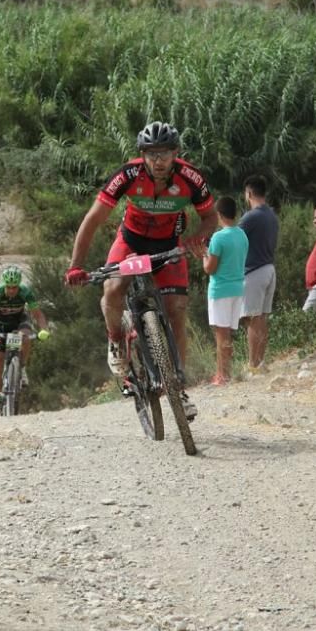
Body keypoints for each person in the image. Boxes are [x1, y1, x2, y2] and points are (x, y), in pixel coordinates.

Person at [64, 121, 217, 419]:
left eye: (164, 154)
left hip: (169, 244)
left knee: (177, 308)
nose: (158, 161)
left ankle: (180, 388)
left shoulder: (191, 178)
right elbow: (93, 219)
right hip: (131, 241)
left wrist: (199, 238)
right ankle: (116, 339)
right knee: (112, 289)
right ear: (142, 155)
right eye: (151, 154)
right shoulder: (127, 175)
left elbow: (210, 217)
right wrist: (75, 267)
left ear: (176, 153)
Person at [0, 266, 50, 415]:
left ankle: (21, 368)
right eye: (8, 287)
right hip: (0, 326)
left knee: (25, 336)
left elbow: (38, 314)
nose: (11, 290)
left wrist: (44, 329)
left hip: (18, 324)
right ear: (4, 284)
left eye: (14, 287)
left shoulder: (25, 292)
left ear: (19, 285)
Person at [202, 196, 248, 384]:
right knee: (227, 331)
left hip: (220, 289)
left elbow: (210, 268)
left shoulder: (218, 237)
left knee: (221, 334)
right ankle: (224, 372)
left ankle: (223, 375)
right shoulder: (242, 235)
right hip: (237, 288)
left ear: (218, 214)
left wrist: (203, 255)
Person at [237, 175, 278, 375]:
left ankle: (253, 364)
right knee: (261, 318)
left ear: (249, 193)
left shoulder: (250, 217)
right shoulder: (271, 214)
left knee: (252, 319)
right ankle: (260, 362)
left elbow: (234, 238)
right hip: (269, 269)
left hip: (253, 272)